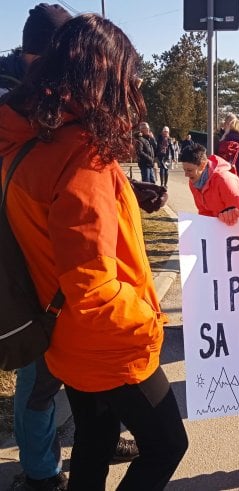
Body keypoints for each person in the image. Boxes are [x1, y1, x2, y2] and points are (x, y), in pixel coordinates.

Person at [0, 13, 188, 490]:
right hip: (107, 346)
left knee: (95, 438)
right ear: (103, 76)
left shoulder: (27, 143)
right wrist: (147, 323)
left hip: (63, 336)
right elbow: (93, 288)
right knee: (168, 444)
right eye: (128, 76)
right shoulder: (82, 155)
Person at [181, 143, 239, 224]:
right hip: (219, 225)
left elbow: (237, 216)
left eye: (189, 170)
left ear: (202, 165)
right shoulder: (194, 183)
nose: (186, 175)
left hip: (236, 226)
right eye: (184, 170)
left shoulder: (225, 180)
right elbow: (204, 212)